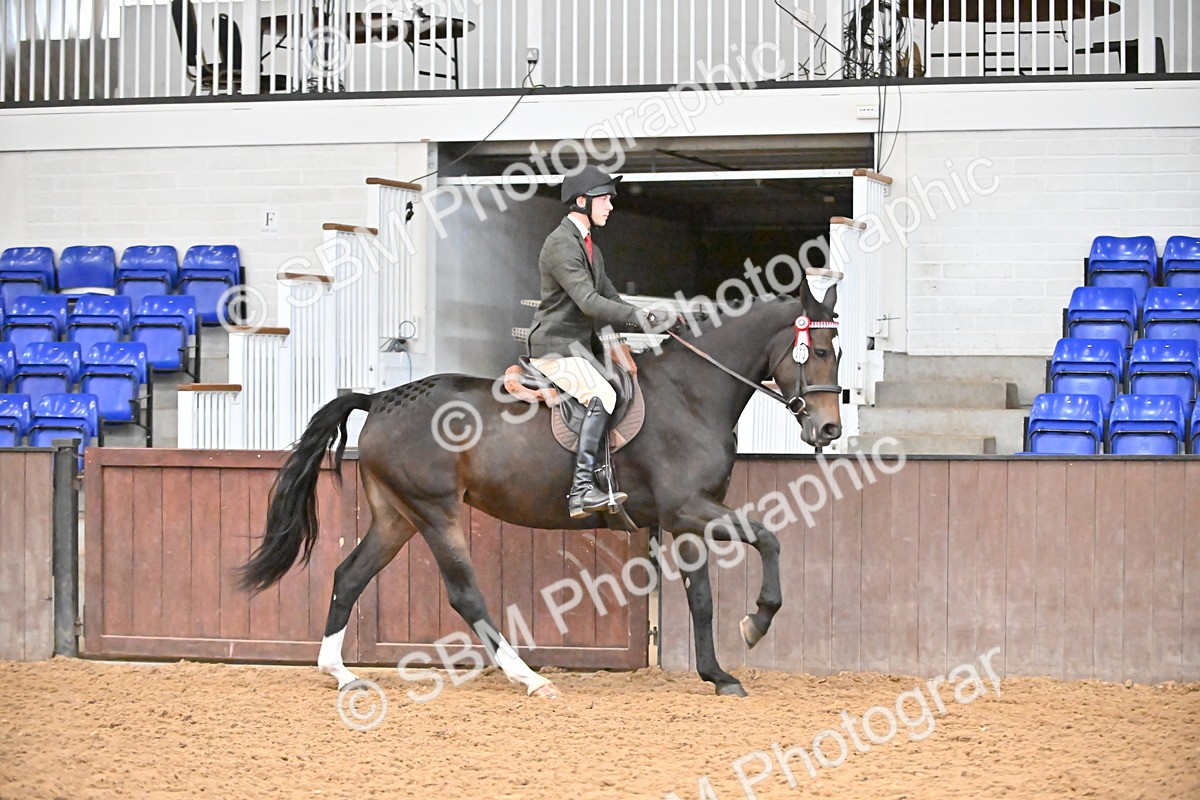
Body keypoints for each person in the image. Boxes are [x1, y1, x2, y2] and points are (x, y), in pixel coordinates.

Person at [527, 164, 670, 519]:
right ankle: (580, 490)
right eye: (604, 199)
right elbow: (589, 303)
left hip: (579, 348)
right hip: (555, 348)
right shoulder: (561, 245)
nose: (610, 206)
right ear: (581, 201)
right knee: (602, 394)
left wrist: (656, 320)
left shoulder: (591, 248)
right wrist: (639, 317)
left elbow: (611, 298)